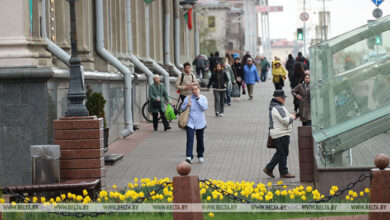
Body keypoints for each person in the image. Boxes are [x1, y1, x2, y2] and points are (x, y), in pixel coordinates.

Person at [263, 90, 296, 178]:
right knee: (282, 153)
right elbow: (285, 121)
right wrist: (292, 118)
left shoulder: (276, 106)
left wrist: (291, 116)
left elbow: (285, 116)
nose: (284, 99)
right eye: (283, 98)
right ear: (278, 98)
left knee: (282, 152)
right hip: (281, 133)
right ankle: (273, 169)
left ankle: (281, 171)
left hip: (280, 132)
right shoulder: (278, 107)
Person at [181, 83, 208, 164]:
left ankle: (200, 155)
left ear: (198, 89)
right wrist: (187, 105)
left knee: (200, 140)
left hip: (200, 122)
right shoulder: (187, 98)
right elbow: (182, 108)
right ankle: (189, 156)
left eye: (195, 89)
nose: (194, 91)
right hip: (190, 122)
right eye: (192, 89)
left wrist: (198, 99)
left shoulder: (203, 98)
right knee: (190, 140)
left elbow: (204, 108)